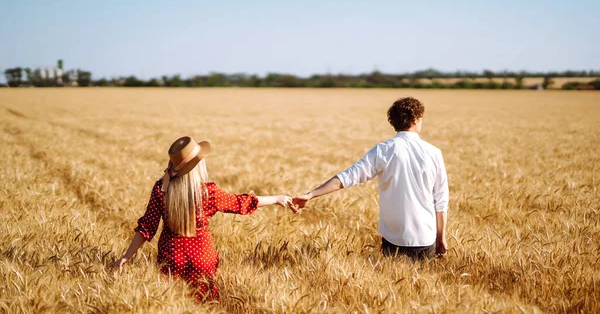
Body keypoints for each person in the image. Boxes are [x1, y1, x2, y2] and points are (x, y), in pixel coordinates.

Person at [114, 136, 293, 301]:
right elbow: (240, 203)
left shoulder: (162, 189)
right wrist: (276, 199)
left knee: (171, 303)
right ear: (198, 165)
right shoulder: (208, 192)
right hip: (202, 258)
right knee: (204, 304)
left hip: (172, 257)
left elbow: (147, 226)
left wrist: (126, 257)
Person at [292, 97, 449, 261]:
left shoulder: (384, 150)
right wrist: (441, 236)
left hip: (393, 236)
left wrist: (311, 194)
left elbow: (347, 177)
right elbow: (441, 199)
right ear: (416, 120)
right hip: (424, 235)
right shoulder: (434, 153)